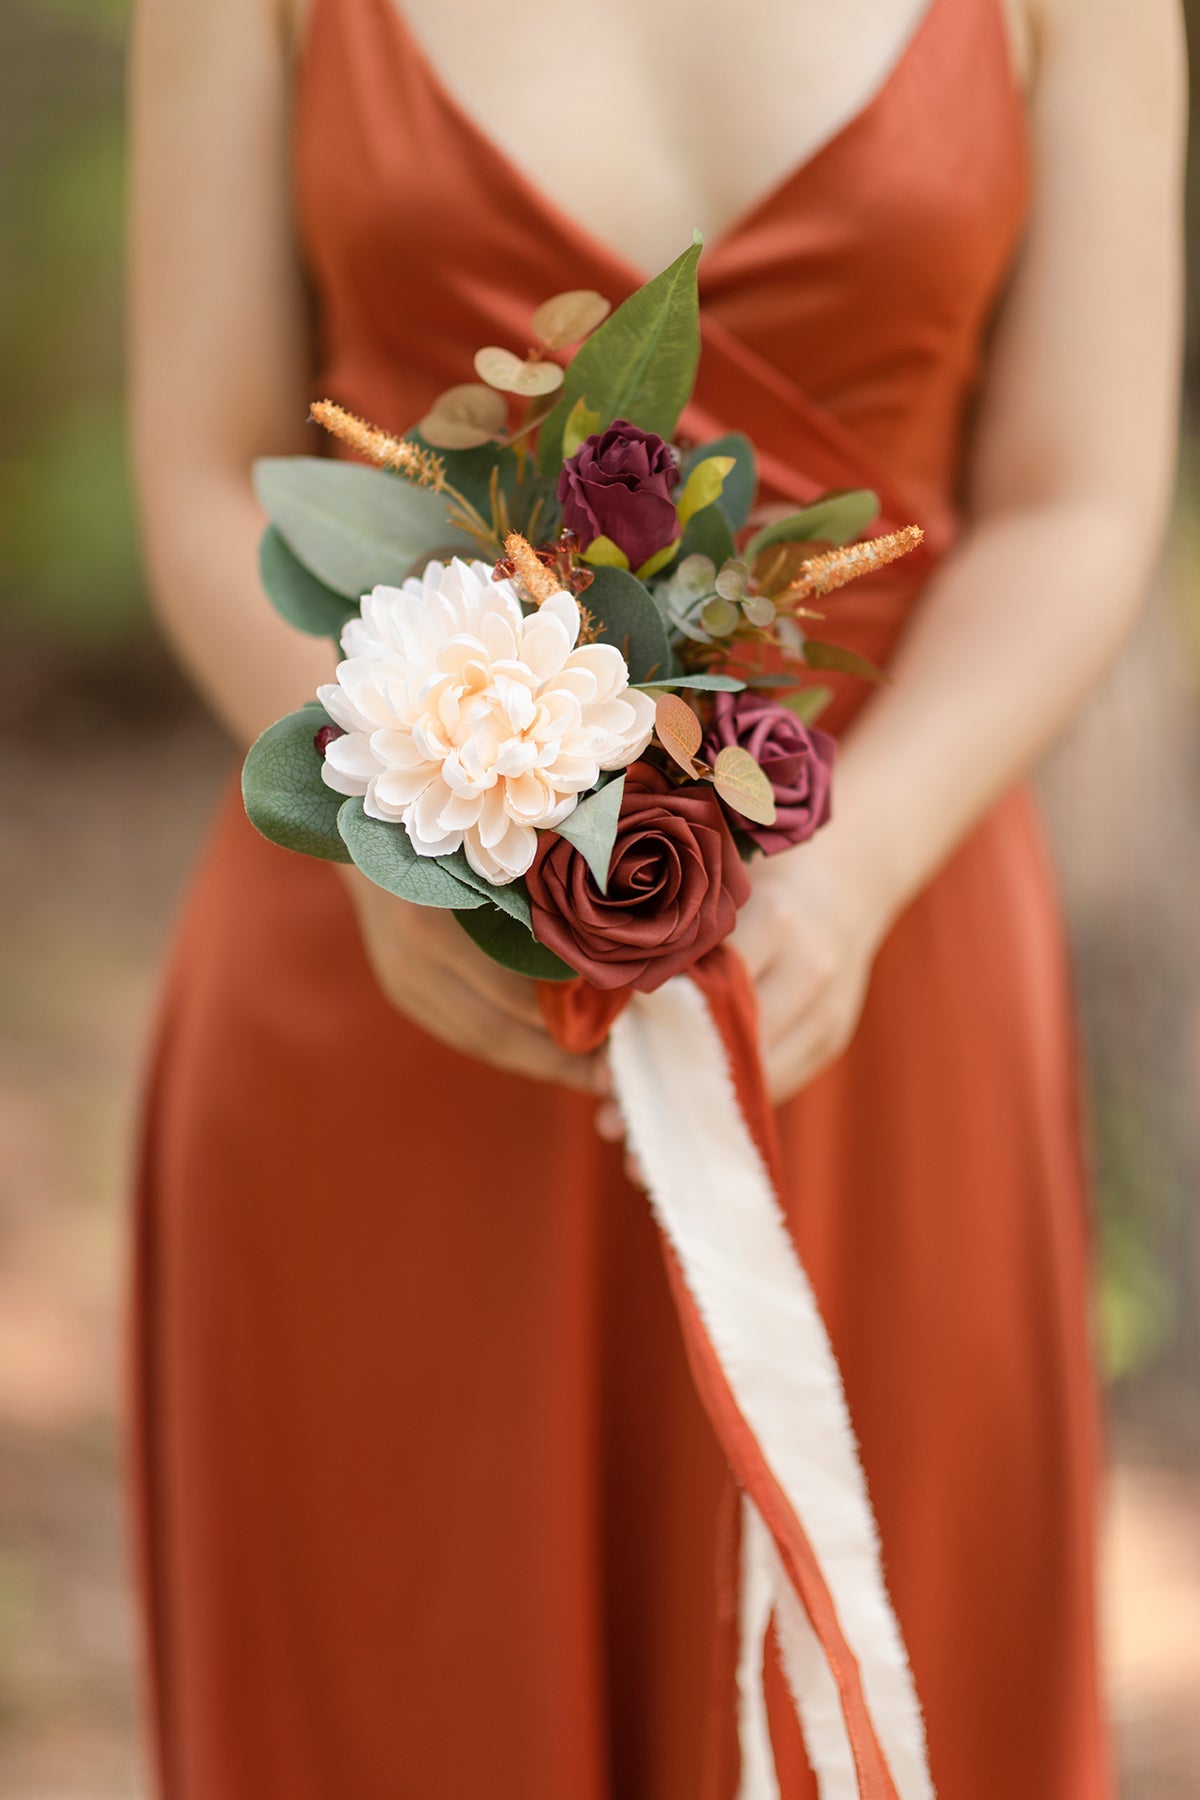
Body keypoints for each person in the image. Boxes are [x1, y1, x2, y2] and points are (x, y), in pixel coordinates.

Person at [127, 0, 1185, 1793]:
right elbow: (203, 464)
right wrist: (403, 840)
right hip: (397, 969)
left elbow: (1077, 498)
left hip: (878, 968)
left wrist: (852, 881)